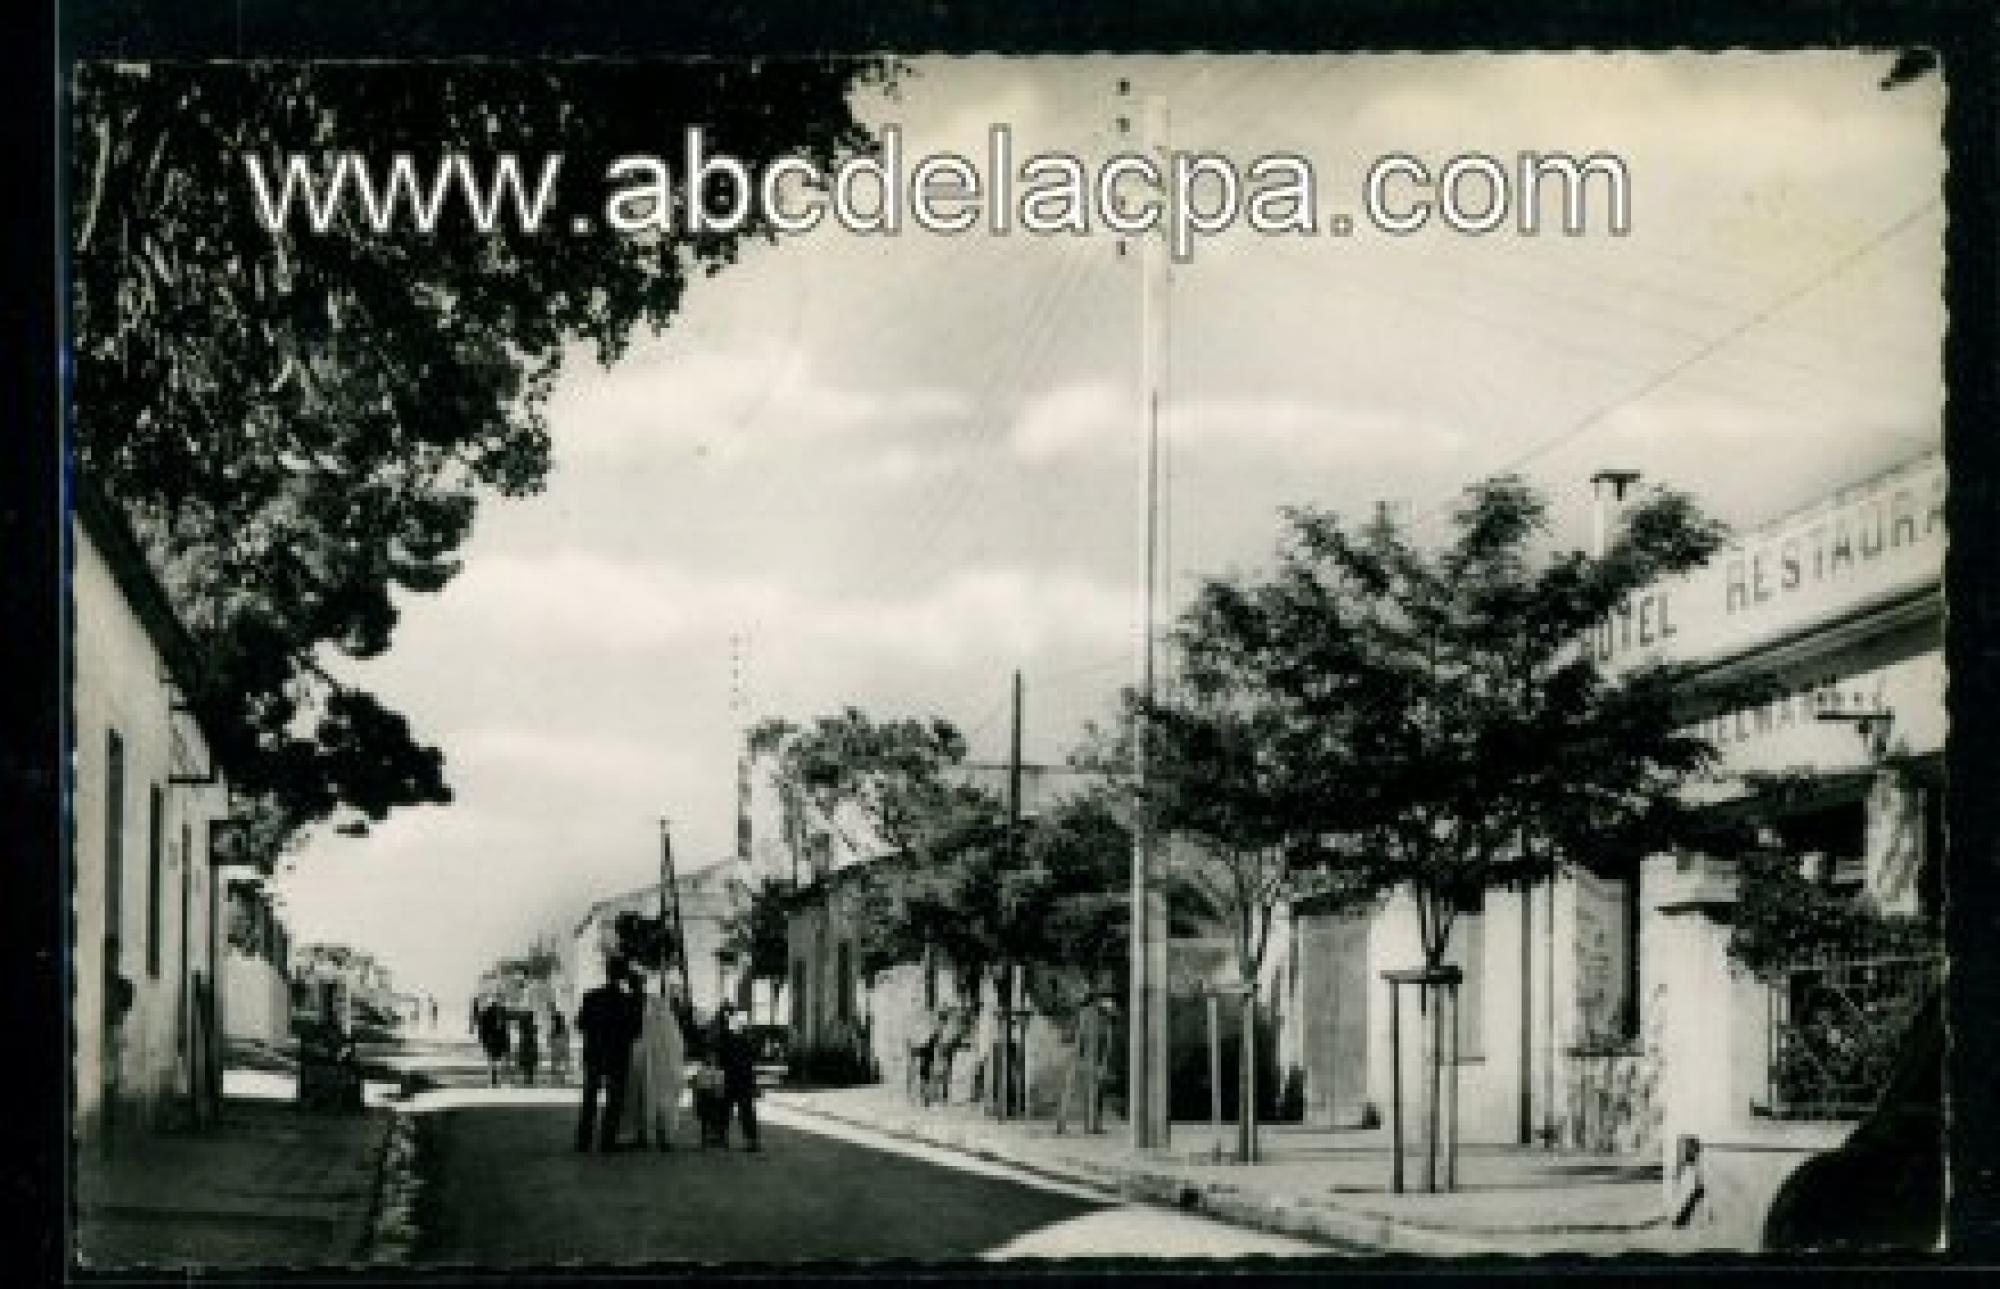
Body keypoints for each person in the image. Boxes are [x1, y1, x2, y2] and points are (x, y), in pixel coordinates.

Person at [575, 961, 642, 1152]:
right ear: (624, 976)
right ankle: (607, 1140)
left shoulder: (590, 997)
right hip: (618, 1055)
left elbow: (581, 1024)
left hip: (595, 1052)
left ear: (607, 973)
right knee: (615, 1099)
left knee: (590, 1097)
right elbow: (636, 1031)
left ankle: (584, 1140)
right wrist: (636, 992)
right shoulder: (628, 1002)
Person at [626, 975, 687, 1150]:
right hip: (645, 1057)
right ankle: (649, 1135)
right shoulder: (653, 1003)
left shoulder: (653, 1004)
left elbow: (672, 1036)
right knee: (645, 1096)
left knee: (651, 1096)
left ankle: (657, 1135)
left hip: (652, 1058)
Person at [710, 1003, 761, 1152]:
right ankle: (750, 1140)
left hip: (731, 1077)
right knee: (741, 1109)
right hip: (742, 1077)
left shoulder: (723, 1036)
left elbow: (717, 1056)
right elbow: (752, 1055)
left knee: (727, 1108)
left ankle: (722, 1137)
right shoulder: (742, 1034)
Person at [907, 1007, 940, 1107]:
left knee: (925, 1073)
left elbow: (933, 1034)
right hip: (921, 1047)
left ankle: (924, 1097)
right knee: (919, 1072)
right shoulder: (917, 1021)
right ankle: (917, 1096)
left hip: (926, 1048)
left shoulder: (930, 1019)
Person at [477, 999, 512, 1087]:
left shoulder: (487, 1013)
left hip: (494, 1039)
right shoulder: (501, 1012)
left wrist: (483, 1040)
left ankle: (496, 1078)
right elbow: (506, 1028)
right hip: (497, 1039)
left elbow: (482, 1029)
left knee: (494, 1060)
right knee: (498, 1060)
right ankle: (498, 1078)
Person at [516, 1010, 540, 1087]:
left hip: (526, 1048)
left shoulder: (523, 1027)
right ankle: (530, 1079)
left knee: (527, 1066)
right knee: (530, 1066)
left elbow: (522, 1038)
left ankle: (528, 1079)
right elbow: (535, 1039)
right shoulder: (533, 1027)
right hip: (531, 1048)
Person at [548, 1009, 572, 1085]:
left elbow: (550, 1039)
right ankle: (562, 1079)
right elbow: (567, 1038)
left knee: (555, 1064)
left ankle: (557, 1079)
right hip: (563, 1047)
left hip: (556, 1047)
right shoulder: (565, 1029)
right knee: (563, 1064)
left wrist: (552, 1045)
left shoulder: (553, 1030)